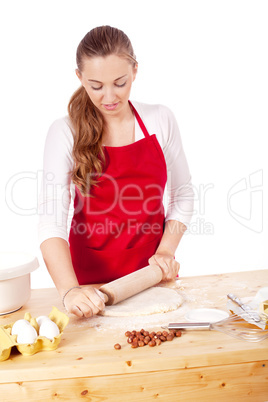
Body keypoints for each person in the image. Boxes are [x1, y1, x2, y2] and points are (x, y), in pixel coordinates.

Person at [38, 25, 194, 318]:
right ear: (79, 78)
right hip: (90, 288)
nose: (109, 96)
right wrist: (70, 290)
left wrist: (165, 252)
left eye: (119, 83)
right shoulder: (64, 132)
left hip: (151, 279)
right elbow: (51, 222)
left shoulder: (160, 119)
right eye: (96, 86)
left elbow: (183, 194)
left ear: (135, 71)